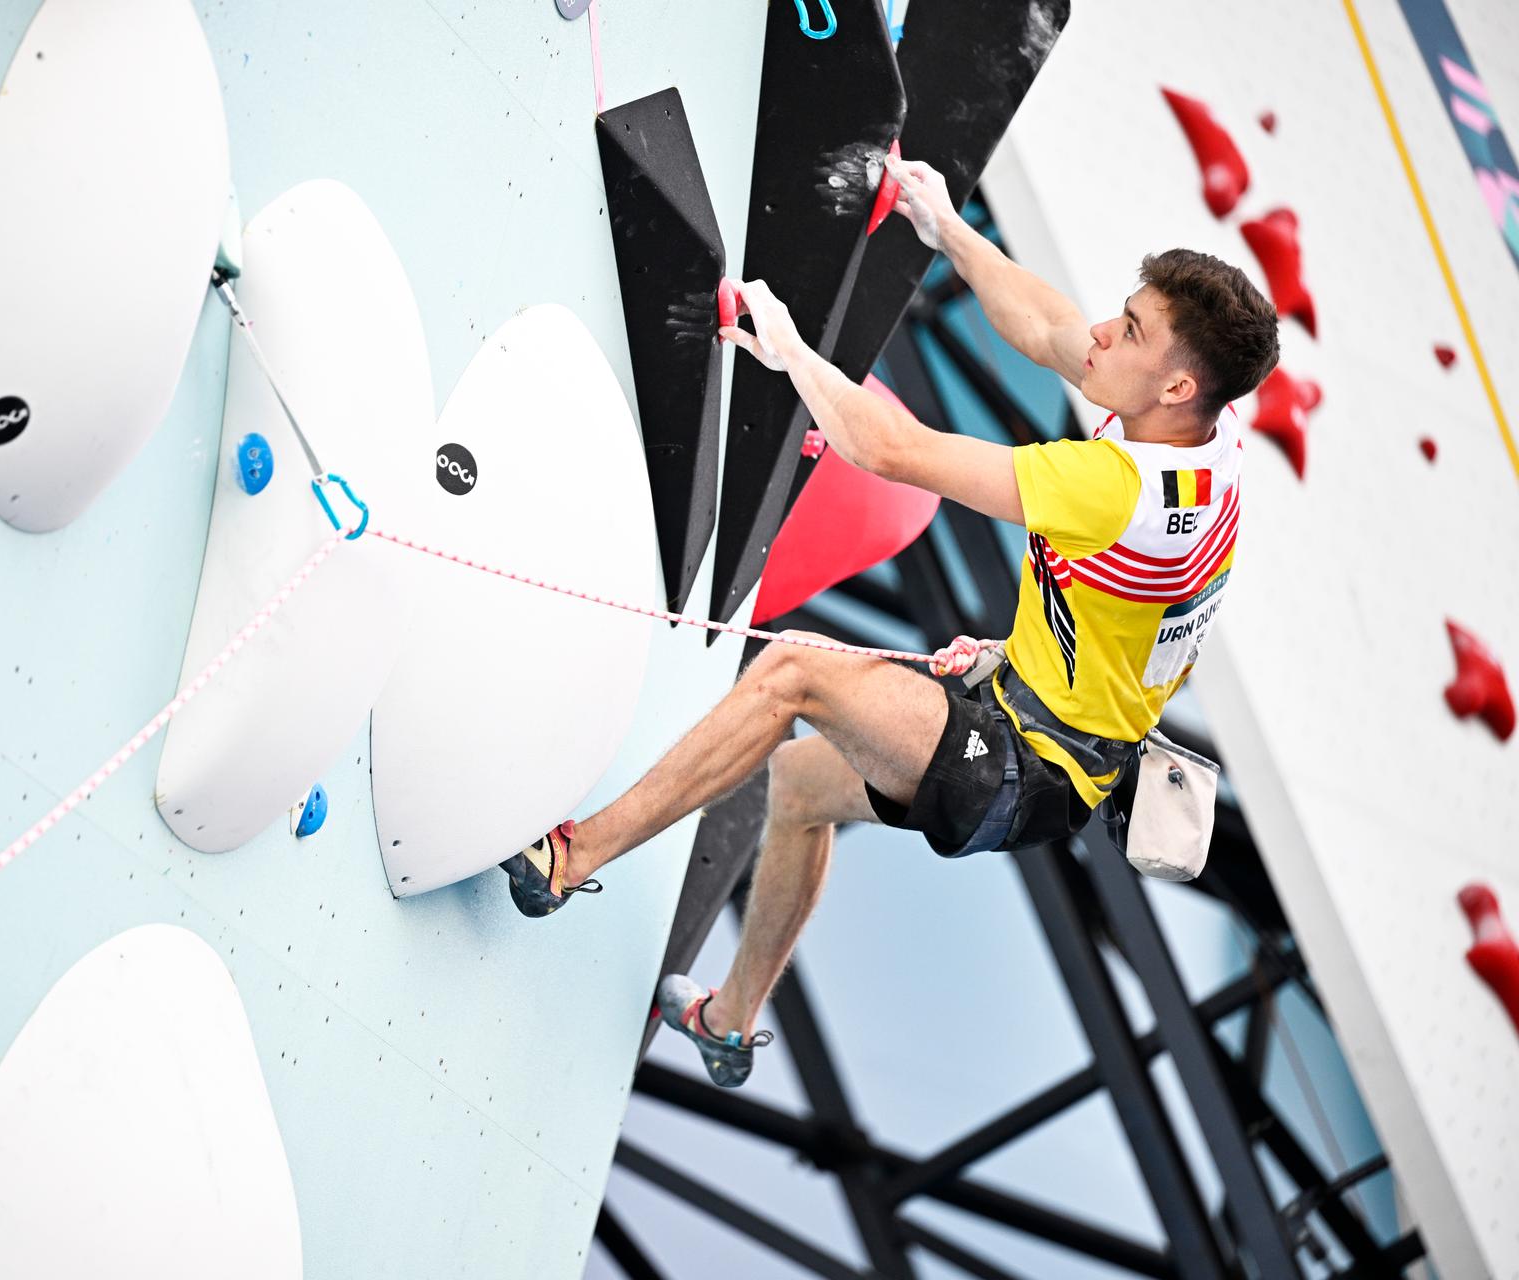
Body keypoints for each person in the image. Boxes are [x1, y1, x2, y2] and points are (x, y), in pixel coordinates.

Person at [499, 155, 1281, 1087]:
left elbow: (892, 448)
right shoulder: (1206, 433)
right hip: (1042, 714)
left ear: (1178, 387)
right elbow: (1046, 326)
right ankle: (729, 1022)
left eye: (1132, 330)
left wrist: (786, 347)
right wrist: (944, 225)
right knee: (796, 789)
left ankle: (568, 858)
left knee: (793, 671)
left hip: (1030, 765)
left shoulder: (1116, 489)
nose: (1103, 333)